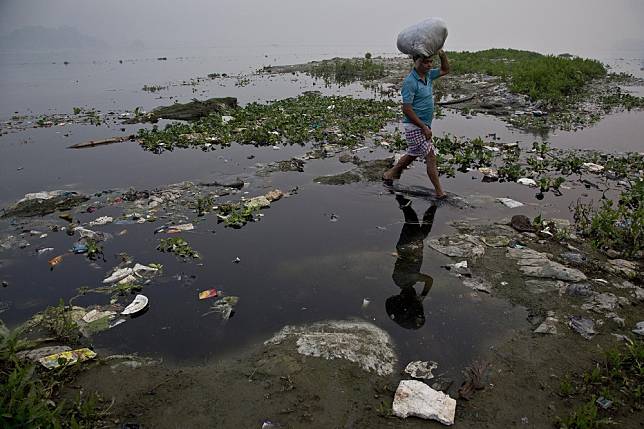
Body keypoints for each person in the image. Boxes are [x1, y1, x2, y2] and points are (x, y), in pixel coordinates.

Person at [383, 49, 450, 199]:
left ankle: (390, 174)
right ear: (416, 62)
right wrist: (423, 127)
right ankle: (439, 192)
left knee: (413, 153)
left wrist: (442, 55)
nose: (428, 65)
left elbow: (445, 69)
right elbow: (406, 109)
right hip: (415, 126)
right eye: (424, 62)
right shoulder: (410, 82)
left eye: (430, 61)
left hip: (423, 125)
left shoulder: (428, 75)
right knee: (431, 156)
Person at [385, 195, 437, 329]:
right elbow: (401, 265)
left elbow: (429, 280)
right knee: (422, 230)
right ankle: (433, 205)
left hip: (410, 246)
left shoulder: (411, 279)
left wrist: (423, 296)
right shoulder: (398, 280)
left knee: (412, 221)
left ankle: (403, 200)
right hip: (405, 247)